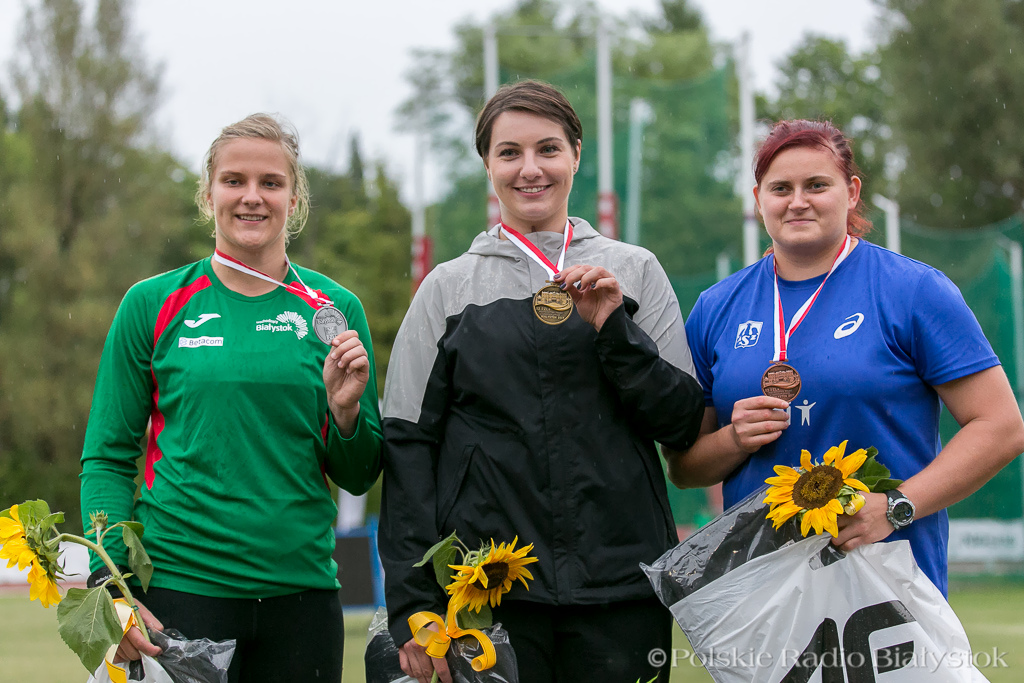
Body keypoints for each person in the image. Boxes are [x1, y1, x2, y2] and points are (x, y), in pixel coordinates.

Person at [378, 80, 705, 683]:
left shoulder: (635, 269)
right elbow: (407, 448)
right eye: (509, 153)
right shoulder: (447, 289)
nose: (530, 169)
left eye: (548, 149)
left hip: (621, 589)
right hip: (488, 595)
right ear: (488, 167)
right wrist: (411, 602)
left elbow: (681, 421)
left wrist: (614, 328)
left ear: (576, 156)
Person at [79, 114, 383, 682]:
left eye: (270, 183)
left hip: (303, 599)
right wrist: (111, 584)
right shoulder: (152, 304)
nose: (252, 197)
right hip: (176, 595)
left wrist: (345, 414)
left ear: (294, 200)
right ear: (209, 193)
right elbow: (108, 455)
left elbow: (360, 473)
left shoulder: (336, 311)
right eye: (234, 180)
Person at [672, 118, 1024, 596]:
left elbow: (1002, 427)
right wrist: (735, 439)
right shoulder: (717, 306)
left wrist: (896, 505)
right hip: (762, 595)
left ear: (852, 192)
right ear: (758, 200)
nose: (798, 201)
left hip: (890, 585)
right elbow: (686, 467)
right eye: (781, 188)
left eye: (817, 184)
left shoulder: (914, 290)